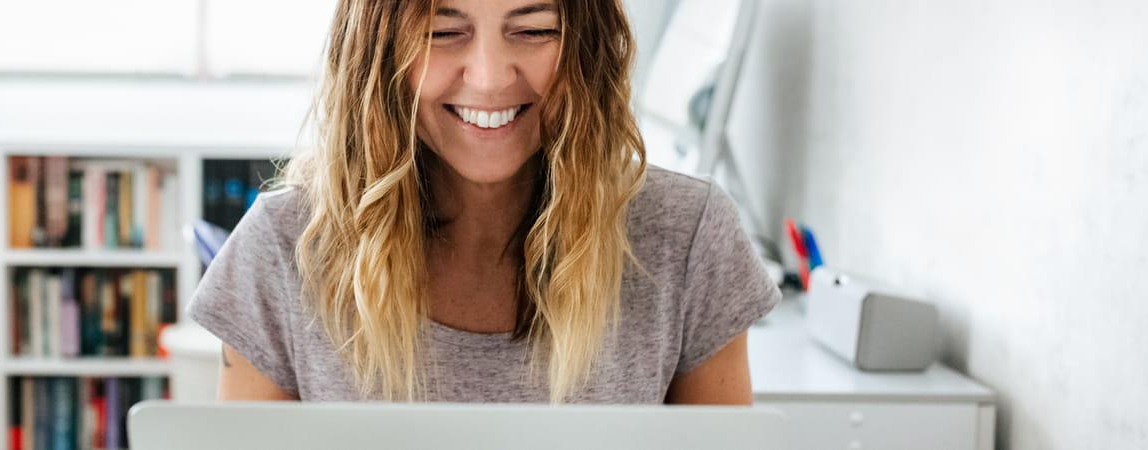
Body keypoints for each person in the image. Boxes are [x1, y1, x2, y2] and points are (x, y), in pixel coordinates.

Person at [188, 0, 779, 404]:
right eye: (443, 32)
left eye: (533, 29)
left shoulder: (689, 236)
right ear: (375, 54)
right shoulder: (282, 245)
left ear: (586, 49)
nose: (492, 77)